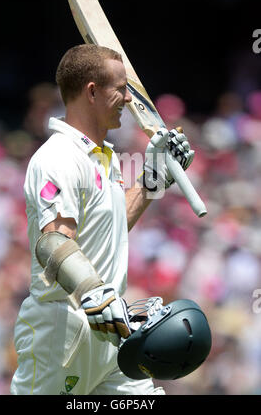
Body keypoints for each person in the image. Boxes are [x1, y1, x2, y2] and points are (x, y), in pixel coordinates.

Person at [10, 44, 194, 395]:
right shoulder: (58, 157)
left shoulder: (102, 156)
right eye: (121, 88)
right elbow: (54, 243)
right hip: (62, 332)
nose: (128, 99)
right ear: (92, 91)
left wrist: (153, 177)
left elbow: (110, 230)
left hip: (112, 326)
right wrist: (96, 295)